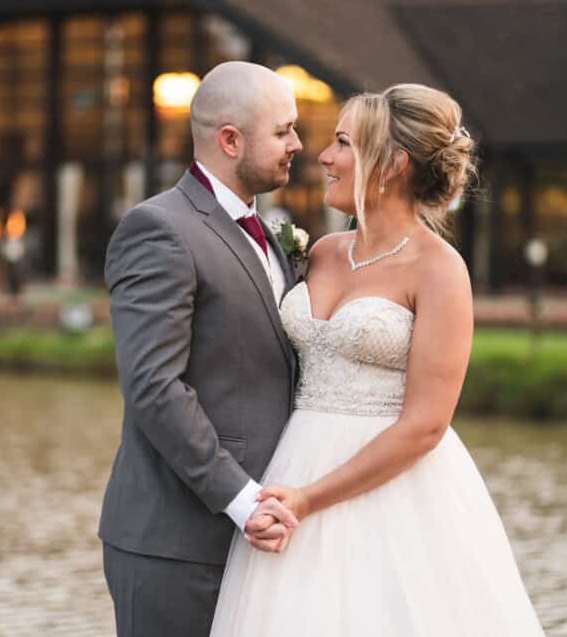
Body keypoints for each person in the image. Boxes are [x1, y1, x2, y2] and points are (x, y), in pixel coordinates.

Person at [210, 84, 546, 636]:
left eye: (342, 143)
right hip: (292, 465)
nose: (323, 156)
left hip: (390, 489)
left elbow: (426, 425)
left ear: (391, 163)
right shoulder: (318, 252)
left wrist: (310, 497)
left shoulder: (439, 270)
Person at [99, 61, 306, 637]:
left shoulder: (271, 237)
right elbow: (154, 386)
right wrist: (241, 500)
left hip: (259, 537)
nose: (297, 144)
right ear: (230, 140)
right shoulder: (159, 229)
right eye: (283, 131)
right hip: (177, 545)